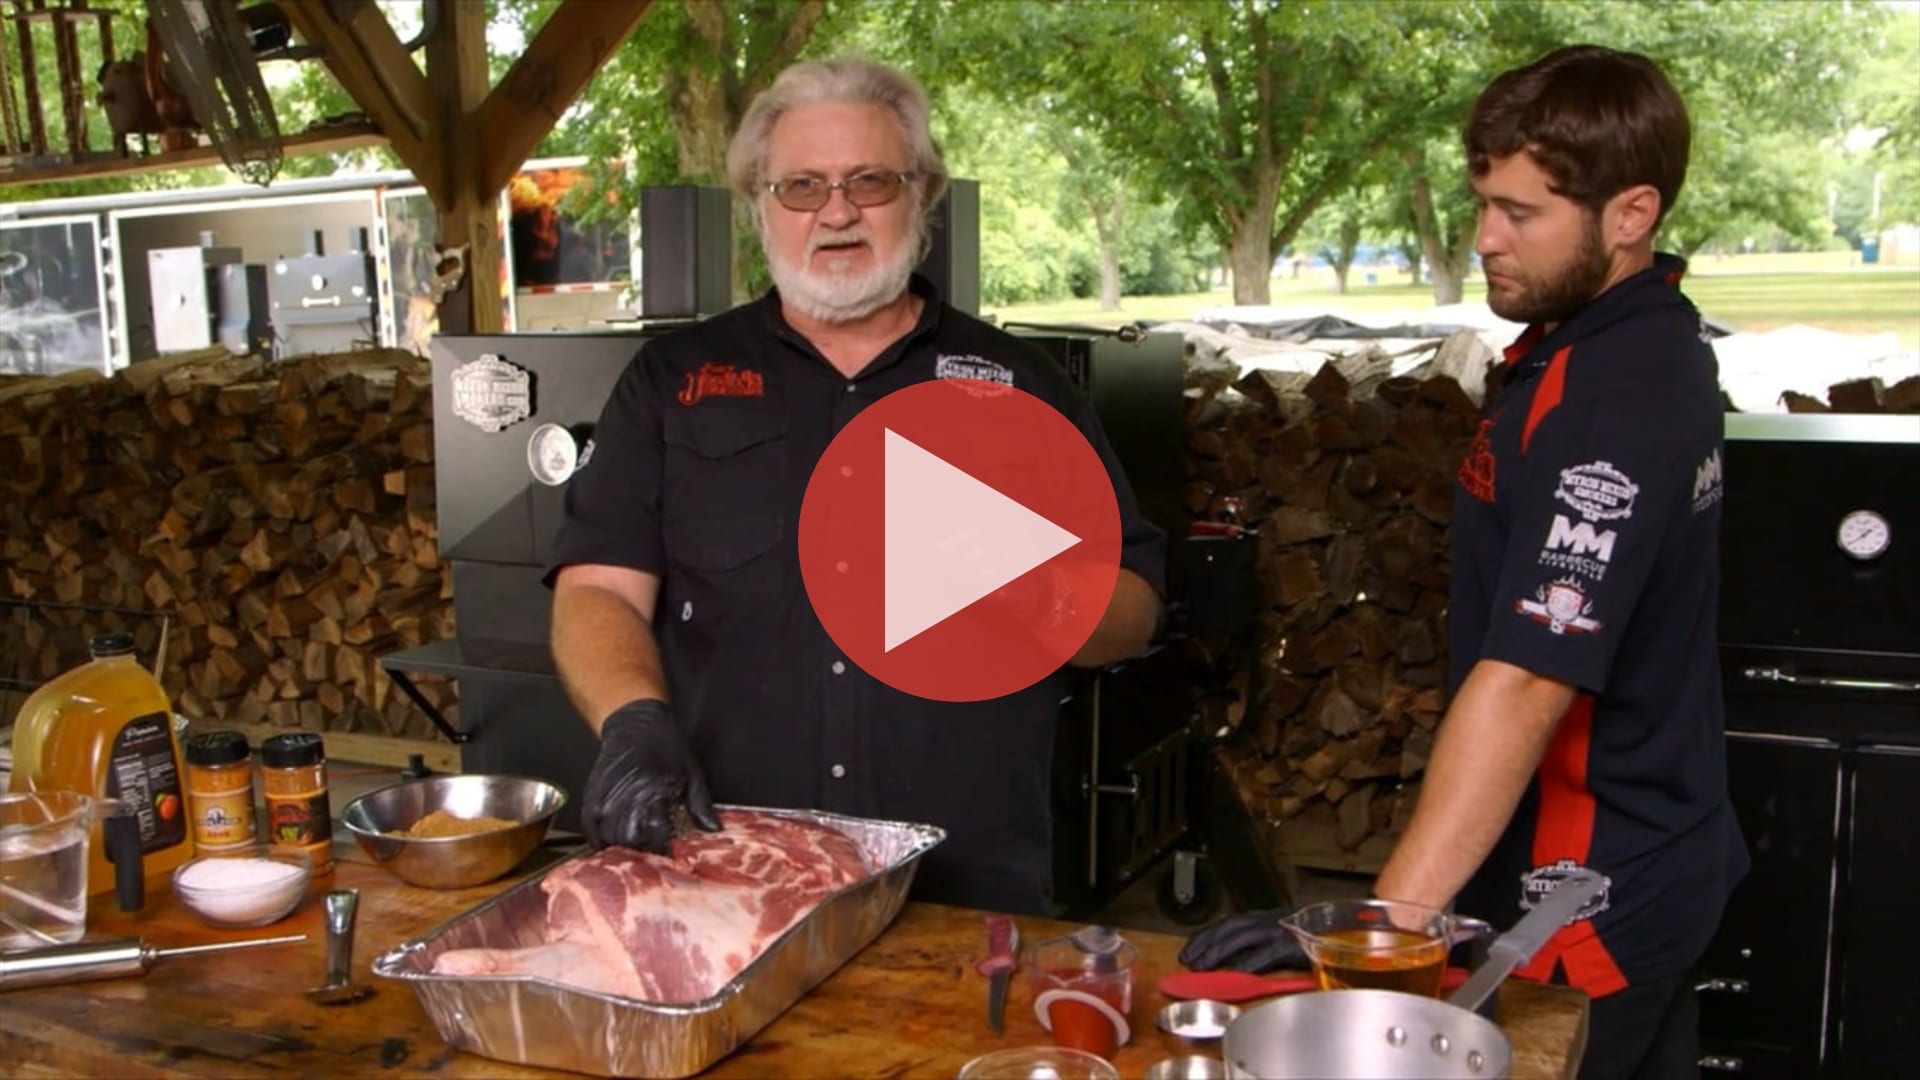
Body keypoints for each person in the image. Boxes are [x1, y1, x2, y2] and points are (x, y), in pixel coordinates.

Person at [1184, 45, 1748, 1079]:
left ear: (1632, 214)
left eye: (1521, 213)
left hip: (1590, 889)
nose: (1485, 237)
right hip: (1644, 852)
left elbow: (1531, 676)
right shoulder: (1601, 343)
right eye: (1483, 202)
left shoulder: (1615, 396)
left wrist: (1385, 928)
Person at [542, 57, 1166, 916]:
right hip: (727, 864)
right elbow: (600, 587)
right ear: (759, 204)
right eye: (801, 186)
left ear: (922, 195)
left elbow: (1135, 613)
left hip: (965, 884)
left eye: (869, 181)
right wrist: (631, 718)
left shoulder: (1022, 387)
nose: (836, 212)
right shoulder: (673, 379)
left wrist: (1033, 584)